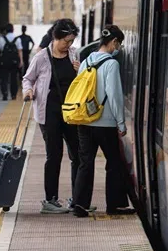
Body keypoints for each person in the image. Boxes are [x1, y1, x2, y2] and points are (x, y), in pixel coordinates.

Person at [71, 26, 134, 218]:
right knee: (114, 163)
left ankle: (80, 205)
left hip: (84, 122)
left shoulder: (85, 62)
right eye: (119, 44)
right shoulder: (111, 64)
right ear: (114, 42)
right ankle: (114, 204)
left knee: (85, 163)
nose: (118, 48)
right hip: (105, 124)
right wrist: (121, 124)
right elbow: (114, 96)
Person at [22, 19, 81, 213]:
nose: (69, 45)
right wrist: (28, 91)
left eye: (71, 41)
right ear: (56, 38)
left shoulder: (74, 54)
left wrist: (78, 71)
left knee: (78, 155)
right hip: (49, 114)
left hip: (71, 112)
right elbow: (28, 79)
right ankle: (50, 200)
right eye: (66, 41)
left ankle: (78, 198)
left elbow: (81, 80)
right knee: (54, 155)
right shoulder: (41, 57)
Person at [0, 24, 22, 100]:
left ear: (5, 30)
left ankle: (5, 94)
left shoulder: (2, 39)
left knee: (4, 78)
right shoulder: (17, 39)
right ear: (13, 29)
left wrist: (0, 56)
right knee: (14, 78)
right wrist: (21, 61)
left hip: (4, 62)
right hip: (14, 62)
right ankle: (13, 95)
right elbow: (20, 51)